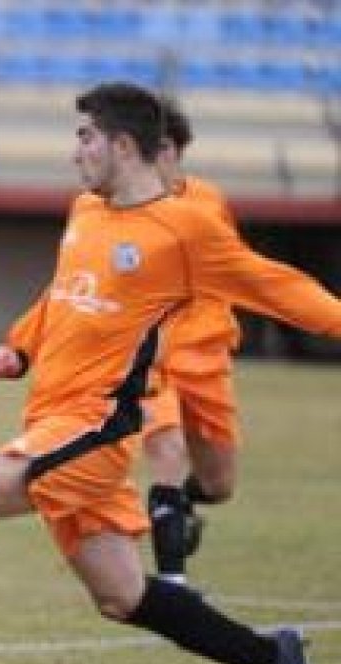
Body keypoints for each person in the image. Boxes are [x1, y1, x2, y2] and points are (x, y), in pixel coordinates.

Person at [0, 81, 339, 664]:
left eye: (85, 137)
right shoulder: (87, 211)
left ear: (123, 146)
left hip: (97, 424)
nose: (74, 151)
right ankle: (274, 656)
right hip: (54, 418)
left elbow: (280, 288)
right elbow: (64, 295)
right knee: (121, 596)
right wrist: (21, 349)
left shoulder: (188, 230)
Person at [138, 99, 242, 585]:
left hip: (208, 354)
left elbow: (238, 270)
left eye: (163, 148)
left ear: (177, 151)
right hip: (153, 357)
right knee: (168, 451)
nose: (155, 158)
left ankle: (173, 508)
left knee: (219, 485)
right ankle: (174, 585)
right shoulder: (116, 208)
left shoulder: (209, 202)